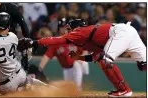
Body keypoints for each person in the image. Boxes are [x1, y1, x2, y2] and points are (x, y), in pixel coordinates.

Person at [17, 19, 146, 97]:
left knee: (105, 60)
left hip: (121, 32)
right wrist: (79, 57)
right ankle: (122, 90)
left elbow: (58, 40)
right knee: (144, 65)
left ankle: (124, 90)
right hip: (128, 32)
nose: (68, 31)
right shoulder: (91, 38)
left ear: (75, 28)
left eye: (69, 29)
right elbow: (95, 57)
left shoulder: (80, 32)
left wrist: (34, 42)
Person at [0, 12, 48, 95]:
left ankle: (24, 89)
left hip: (4, 86)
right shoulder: (12, 36)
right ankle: (52, 89)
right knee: (35, 83)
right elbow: (19, 45)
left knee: (25, 91)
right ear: (8, 27)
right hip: (19, 75)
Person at [38, 18, 89, 90]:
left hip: (78, 65)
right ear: (59, 29)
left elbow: (85, 50)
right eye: (62, 27)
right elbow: (46, 56)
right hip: (66, 69)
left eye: (66, 27)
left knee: (77, 65)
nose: (65, 29)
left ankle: (79, 87)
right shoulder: (56, 42)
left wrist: (82, 58)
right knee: (70, 89)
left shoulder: (74, 38)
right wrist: (39, 69)